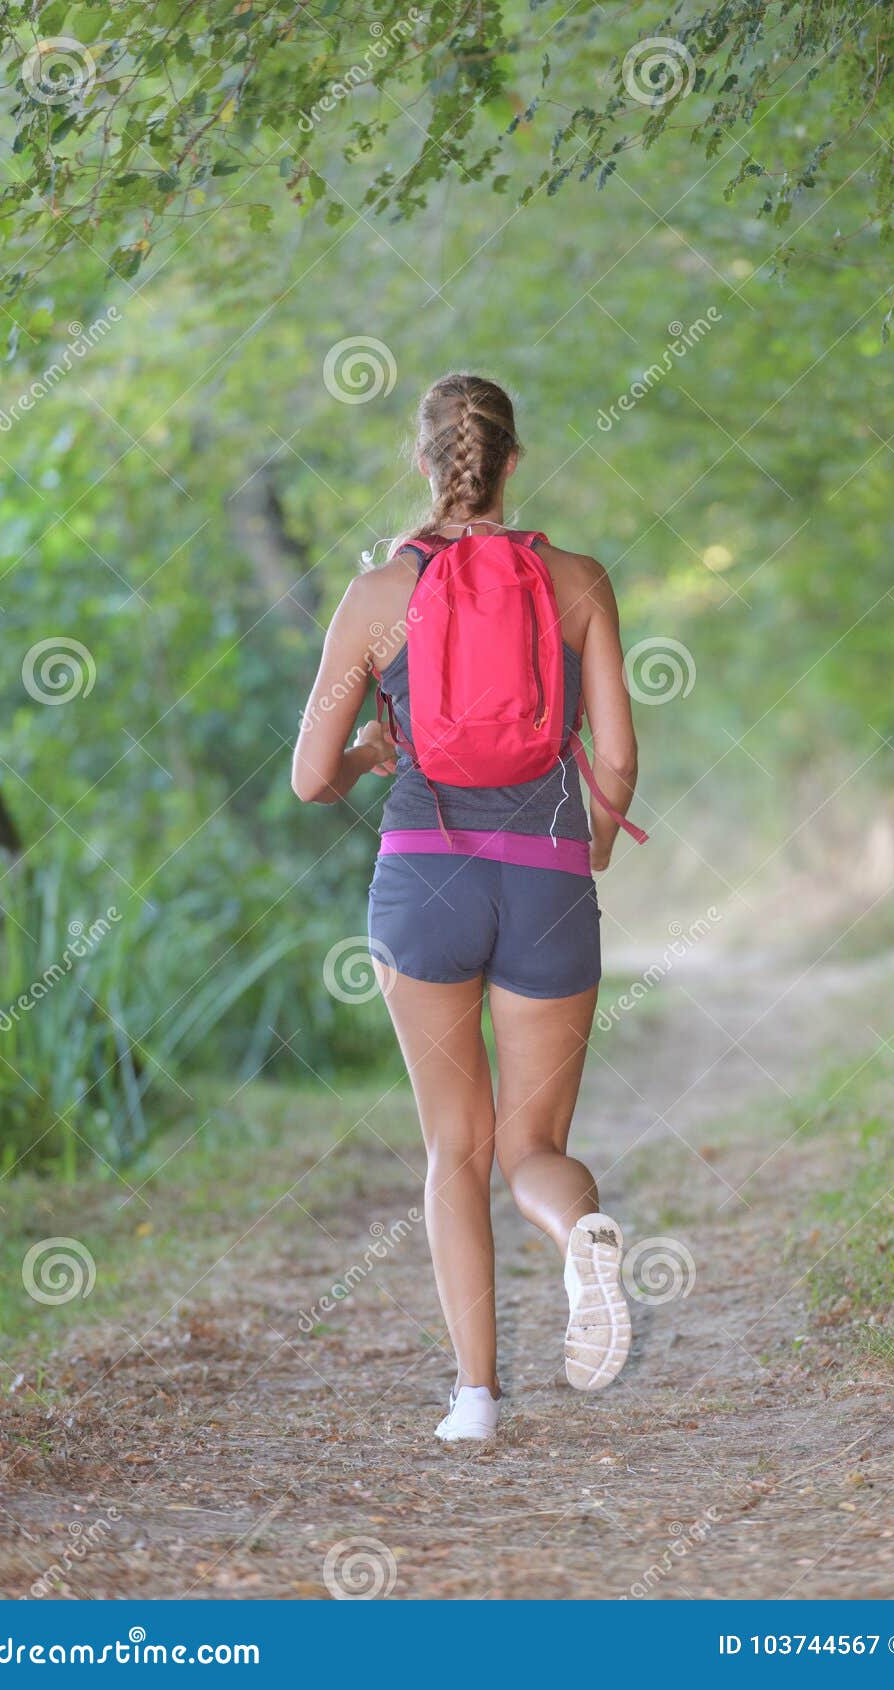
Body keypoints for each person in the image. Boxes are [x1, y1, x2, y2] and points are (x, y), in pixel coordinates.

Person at [292, 373, 646, 1441]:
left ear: (423, 462)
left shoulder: (373, 597)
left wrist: (367, 751)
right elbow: (618, 760)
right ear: (511, 461)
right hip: (543, 878)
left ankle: (475, 1399)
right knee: (533, 1143)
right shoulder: (575, 579)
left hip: (422, 880)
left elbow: (309, 776)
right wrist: (583, 843)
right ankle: (578, 1228)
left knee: (456, 1149)